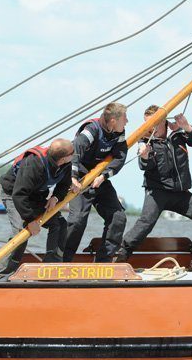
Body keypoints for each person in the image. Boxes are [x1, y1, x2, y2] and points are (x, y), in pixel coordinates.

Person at [115, 105, 192, 271]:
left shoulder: (179, 135)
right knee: (146, 223)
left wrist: (187, 127)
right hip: (157, 193)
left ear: (164, 122)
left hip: (180, 194)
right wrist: (144, 155)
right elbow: (145, 166)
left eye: (155, 123)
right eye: (147, 124)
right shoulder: (144, 141)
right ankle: (121, 255)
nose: (150, 128)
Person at [0, 139, 76, 281]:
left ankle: (51, 270)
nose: (74, 155)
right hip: (13, 195)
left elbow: (64, 184)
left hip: (35, 196)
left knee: (59, 224)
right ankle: (2, 277)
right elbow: (19, 195)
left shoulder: (65, 165)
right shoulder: (34, 164)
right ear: (63, 158)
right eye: (72, 153)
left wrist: (55, 198)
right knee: (21, 231)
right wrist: (30, 220)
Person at [63, 102, 128, 263]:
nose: (127, 121)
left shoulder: (119, 132)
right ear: (113, 120)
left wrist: (104, 176)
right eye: (125, 118)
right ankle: (62, 261)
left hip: (99, 177)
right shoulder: (91, 131)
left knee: (118, 218)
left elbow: (120, 156)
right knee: (77, 220)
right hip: (80, 178)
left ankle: (103, 262)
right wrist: (72, 178)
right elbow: (74, 152)